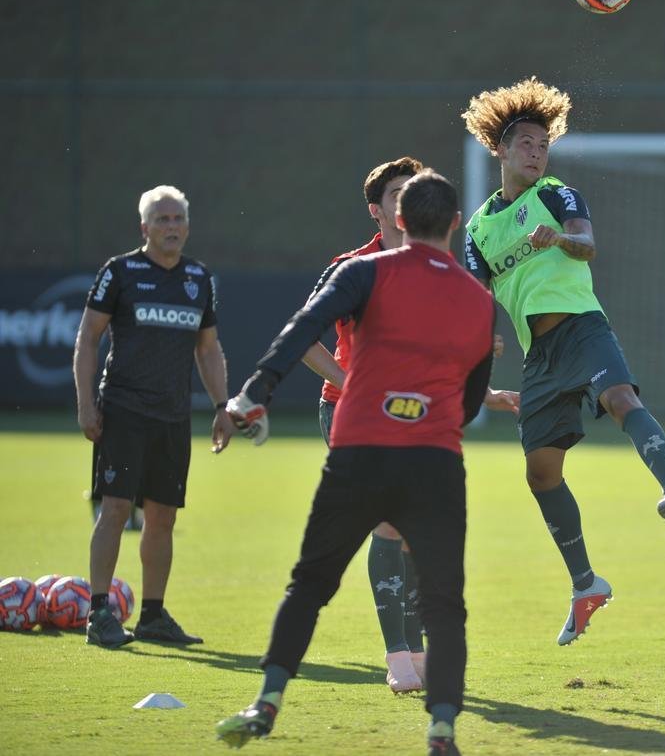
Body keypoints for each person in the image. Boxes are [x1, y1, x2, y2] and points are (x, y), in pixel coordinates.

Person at [215, 170, 493, 756]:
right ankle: (442, 729)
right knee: (444, 602)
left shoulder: (363, 271)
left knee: (309, 583)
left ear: (398, 219)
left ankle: (266, 700)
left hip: (360, 450)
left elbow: (303, 329)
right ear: (454, 223)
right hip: (434, 462)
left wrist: (254, 391)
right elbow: (468, 402)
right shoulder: (480, 301)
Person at [460, 76, 665, 647]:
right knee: (541, 474)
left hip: (583, 329)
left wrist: (560, 240)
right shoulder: (477, 229)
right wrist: (477, 341)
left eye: (544, 145)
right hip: (539, 357)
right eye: (526, 144)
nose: (537, 152)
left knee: (621, 400)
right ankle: (586, 584)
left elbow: (587, 244)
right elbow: (472, 296)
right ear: (501, 150)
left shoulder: (560, 195)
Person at [298, 157, 518, 694]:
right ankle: (398, 656)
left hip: (419, 417)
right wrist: (353, 383)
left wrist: (481, 389)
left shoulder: (438, 269)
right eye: (398, 194)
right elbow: (302, 339)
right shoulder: (352, 267)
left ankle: (418, 654)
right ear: (378, 210)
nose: (407, 203)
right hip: (351, 413)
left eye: (413, 193)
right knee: (390, 525)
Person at [73, 185, 236, 648]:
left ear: (187, 226)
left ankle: (152, 615)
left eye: (178, 219)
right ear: (144, 227)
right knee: (116, 509)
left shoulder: (198, 278)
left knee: (162, 516)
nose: (171, 227)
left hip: (172, 416)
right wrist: (86, 402)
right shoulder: (120, 272)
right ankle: (99, 613)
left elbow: (208, 349)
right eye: (161, 220)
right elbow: (88, 338)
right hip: (123, 409)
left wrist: (223, 407)